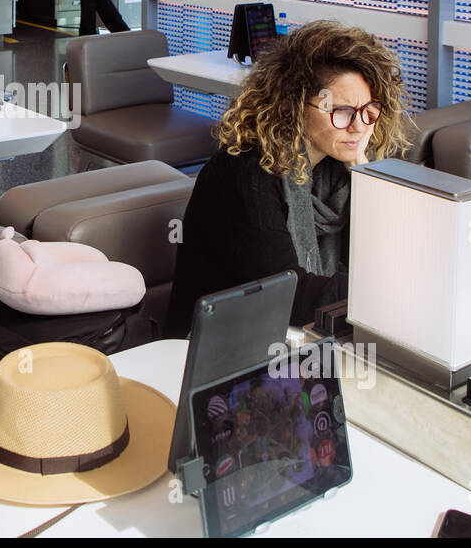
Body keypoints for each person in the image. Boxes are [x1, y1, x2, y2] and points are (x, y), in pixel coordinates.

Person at [163, 22, 413, 339]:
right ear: (293, 106)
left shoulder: (337, 166)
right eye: (341, 111)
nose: (359, 126)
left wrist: (362, 172)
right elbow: (290, 295)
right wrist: (393, 289)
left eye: (368, 110)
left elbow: (386, 253)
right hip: (222, 342)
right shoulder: (246, 172)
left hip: (302, 336)